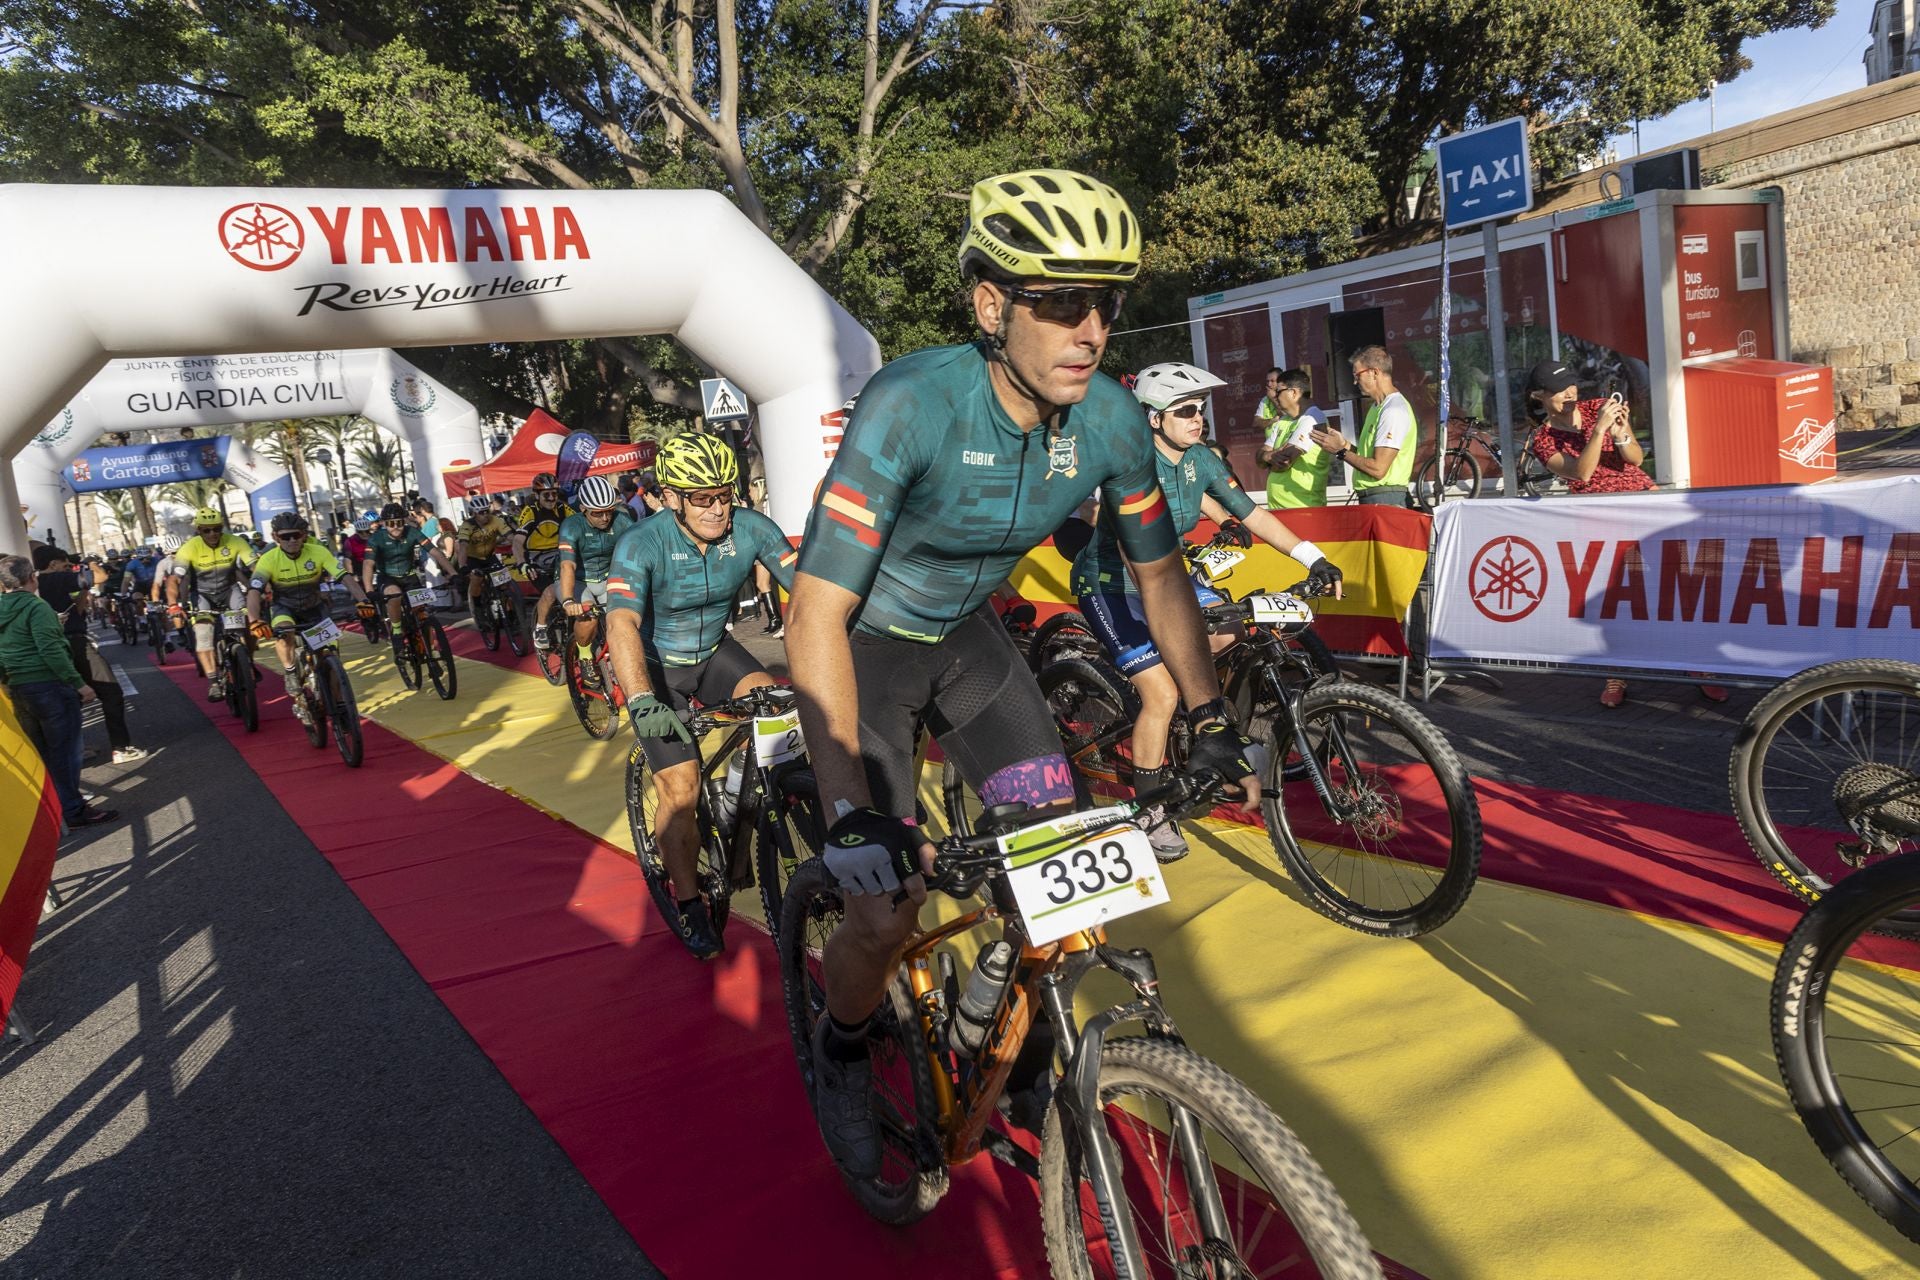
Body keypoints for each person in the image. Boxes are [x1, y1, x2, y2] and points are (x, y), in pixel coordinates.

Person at [784, 169, 1261, 1178]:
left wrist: (1209, 716)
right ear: (991, 305)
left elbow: (1160, 572)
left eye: (1107, 305)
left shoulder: (1112, 420)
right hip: (866, 650)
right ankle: (841, 1044)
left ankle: (1017, 1051)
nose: (1091, 330)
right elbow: (814, 611)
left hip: (969, 642)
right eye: (1060, 303)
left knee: (1064, 881)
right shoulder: (911, 404)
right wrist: (846, 811)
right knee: (885, 908)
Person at [1072, 362, 1343, 860]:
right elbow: (1138, 560)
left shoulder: (1199, 459)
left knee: (1233, 630)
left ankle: (1205, 731)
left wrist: (1314, 558)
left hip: (1168, 578)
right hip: (1112, 584)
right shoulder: (1130, 465)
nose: (1198, 418)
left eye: (1201, 409)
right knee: (1162, 692)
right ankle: (1150, 809)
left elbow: (1253, 514)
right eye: (1185, 410)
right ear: (1154, 419)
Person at [605, 432, 797, 959]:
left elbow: (807, 592)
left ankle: (735, 795)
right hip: (656, 668)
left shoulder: (751, 528)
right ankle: (689, 903)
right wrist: (641, 700)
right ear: (671, 497)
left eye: (724, 494)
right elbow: (621, 624)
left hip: (714, 651)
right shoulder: (641, 543)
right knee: (682, 789)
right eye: (702, 497)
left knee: (778, 714)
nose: (717, 508)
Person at [1522, 359, 1728, 709]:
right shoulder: (1543, 439)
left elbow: (1635, 458)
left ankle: (1700, 664)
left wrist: (1620, 434)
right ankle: (1616, 672)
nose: (1570, 394)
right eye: (1559, 390)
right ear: (1539, 396)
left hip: (1644, 504)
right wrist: (1599, 431)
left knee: (1677, 586)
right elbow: (1582, 474)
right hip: (1599, 517)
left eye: (1572, 386)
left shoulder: (1597, 407)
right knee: (1615, 599)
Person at [0, 555, 116, 827]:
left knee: (42, 754)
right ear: (31, 577)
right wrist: (78, 683)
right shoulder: (36, 607)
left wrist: (6, 679)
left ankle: (55, 810)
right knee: (65, 753)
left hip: (18, 687)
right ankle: (73, 809)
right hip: (49, 685)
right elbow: (50, 650)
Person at [247, 511, 369, 725]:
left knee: (330, 654)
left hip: (315, 608)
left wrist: (363, 600)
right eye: (285, 536)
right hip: (285, 608)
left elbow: (345, 577)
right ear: (276, 537)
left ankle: (340, 705)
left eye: (296, 535)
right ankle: (290, 671)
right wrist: (254, 619)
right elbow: (254, 591)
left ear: (304, 535)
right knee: (285, 633)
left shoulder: (318, 552)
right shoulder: (268, 559)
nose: (292, 540)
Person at [37, 548, 143, 764]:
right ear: (53, 564)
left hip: (52, 646)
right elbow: (101, 577)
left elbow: (76, 610)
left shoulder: (37, 584)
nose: (68, 569)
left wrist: (83, 591)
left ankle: (76, 749)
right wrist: (90, 563)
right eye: (65, 565)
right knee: (110, 691)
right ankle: (121, 747)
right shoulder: (57, 578)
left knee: (70, 699)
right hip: (75, 644)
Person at [168, 507, 258, 702]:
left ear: (222, 527)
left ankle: (247, 661)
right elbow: (175, 579)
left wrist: (263, 588)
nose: (212, 534)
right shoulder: (189, 548)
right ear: (199, 530)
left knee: (249, 623)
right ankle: (213, 681)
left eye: (217, 529)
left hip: (229, 590)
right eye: (206, 530)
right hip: (202, 595)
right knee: (203, 635)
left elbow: (256, 568)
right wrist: (174, 604)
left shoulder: (235, 541)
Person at [1311, 345, 1416, 507]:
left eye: (1357, 375)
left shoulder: (1393, 410)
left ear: (1374, 373)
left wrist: (1339, 451)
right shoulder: (1377, 407)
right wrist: (1343, 445)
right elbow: (1367, 459)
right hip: (1376, 496)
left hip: (1385, 498)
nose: (1355, 382)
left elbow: (1378, 469)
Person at [555, 475, 637, 676]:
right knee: (589, 617)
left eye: (609, 511)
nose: (605, 518)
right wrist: (568, 600)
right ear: (583, 509)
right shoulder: (571, 525)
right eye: (597, 513)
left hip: (607, 577)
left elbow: (639, 553)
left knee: (626, 619)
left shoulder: (622, 520)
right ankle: (585, 657)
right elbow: (567, 565)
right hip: (577, 579)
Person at [361, 502, 456, 634]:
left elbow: (435, 552)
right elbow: (368, 564)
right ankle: (397, 629)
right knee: (394, 596)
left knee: (421, 610)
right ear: (384, 523)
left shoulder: (412, 532)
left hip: (409, 576)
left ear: (404, 521)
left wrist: (453, 573)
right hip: (388, 577)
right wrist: (369, 590)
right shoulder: (376, 538)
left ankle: (425, 636)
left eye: (399, 523)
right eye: (391, 523)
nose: (396, 527)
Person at [511, 472, 576, 653]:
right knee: (551, 591)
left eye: (554, 493)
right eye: (546, 494)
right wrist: (522, 563)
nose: (551, 498)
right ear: (536, 495)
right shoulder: (530, 511)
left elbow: (579, 524)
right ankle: (540, 628)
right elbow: (517, 542)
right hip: (536, 560)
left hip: (559, 556)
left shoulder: (563, 509)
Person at [1256, 368, 1333, 510]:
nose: (1274, 396)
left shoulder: (1313, 418)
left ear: (1293, 392)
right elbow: (1259, 459)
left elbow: (1285, 462)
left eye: (1278, 391)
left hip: (1303, 507)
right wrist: (1268, 457)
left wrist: (1268, 458)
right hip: (1279, 510)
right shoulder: (1283, 420)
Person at [453, 495, 516, 614]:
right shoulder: (467, 526)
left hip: (490, 556)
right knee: (477, 579)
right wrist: (462, 566)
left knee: (503, 583)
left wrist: (521, 552)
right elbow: (463, 547)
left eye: (487, 510)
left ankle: (510, 611)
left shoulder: (496, 520)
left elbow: (511, 537)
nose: (486, 514)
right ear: (474, 513)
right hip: (473, 558)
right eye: (481, 512)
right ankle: (477, 606)